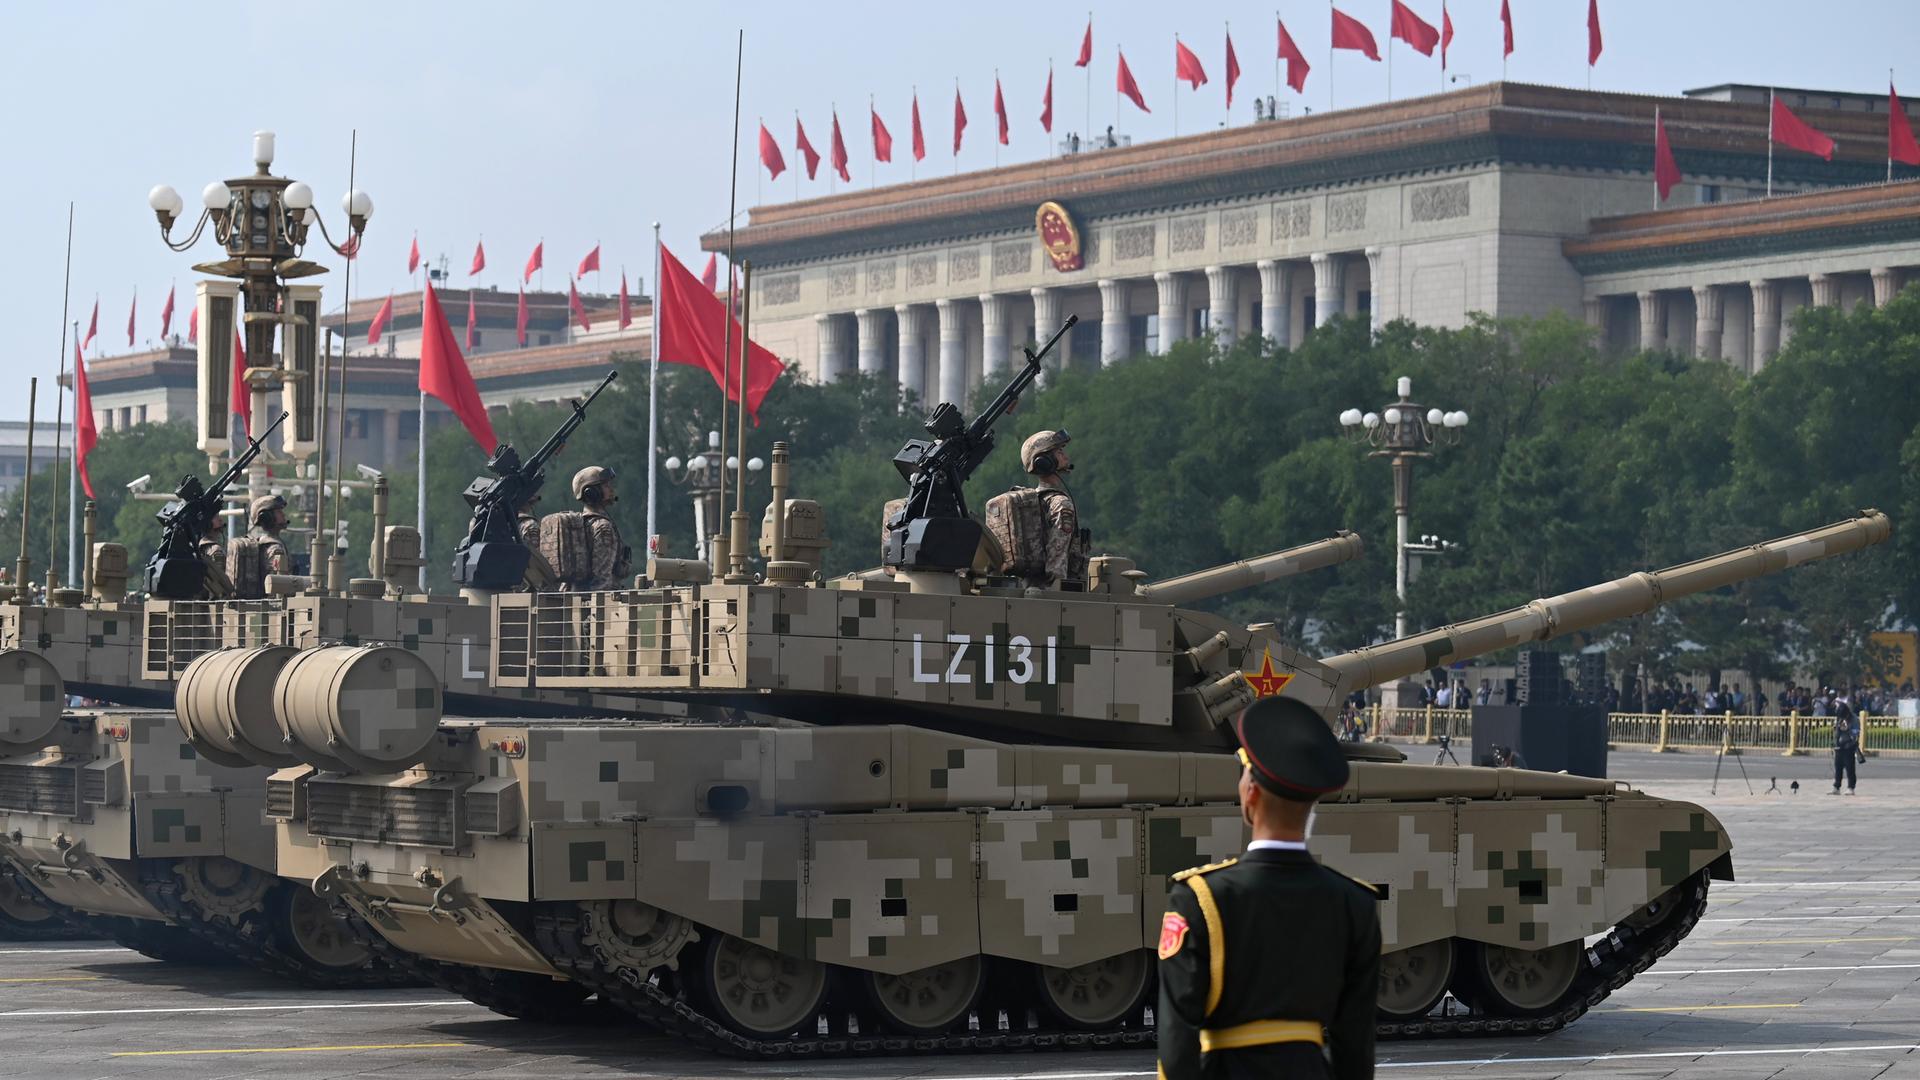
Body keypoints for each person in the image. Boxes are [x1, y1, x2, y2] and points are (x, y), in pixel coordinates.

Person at [1157, 697, 1379, 1080]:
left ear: (1251, 793)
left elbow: (1178, 1046)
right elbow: (1355, 1048)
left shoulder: (1199, 898)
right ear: (1312, 802)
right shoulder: (1354, 903)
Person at [1017, 430, 1087, 590]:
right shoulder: (1061, 504)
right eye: (1059, 452)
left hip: (1028, 587)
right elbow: (1057, 561)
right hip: (1051, 595)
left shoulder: (1030, 501)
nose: (1065, 456)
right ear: (1044, 461)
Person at [570, 465, 631, 591]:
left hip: (575, 598)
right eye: (606, 486)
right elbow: (602, 578)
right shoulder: (603, 528)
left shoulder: (577, 525)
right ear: (592, 493)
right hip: (597, 603)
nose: (611, 490)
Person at [228, 494, 290, 599]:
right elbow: (277, 586)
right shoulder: (275, 549)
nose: (283, 515)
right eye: (279, 512)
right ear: (268, 517)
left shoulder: (261, 542)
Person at [197, 516, 235, 600]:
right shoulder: (216, 550)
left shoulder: (199, 548)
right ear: (208, 524)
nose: (220, 519)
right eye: (216, 517)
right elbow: (218, 581)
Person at [1831, 691, 1860, 795]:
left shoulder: (1854, 719)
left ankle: (1851, 787)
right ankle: (1836, 786)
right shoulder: (1839, 718)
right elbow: (1836, 731)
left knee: (1849, 768)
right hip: (1839, 746)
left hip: (1849, 746)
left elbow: (1856, 732)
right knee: (1838, 767)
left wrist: (1848, 729)